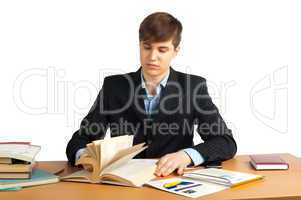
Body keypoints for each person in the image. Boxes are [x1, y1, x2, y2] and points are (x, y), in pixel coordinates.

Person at [66, 12, 237, 177]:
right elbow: (82, 137)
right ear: (139, 45)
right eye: (147, 47)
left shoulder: (193, 87)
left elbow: (225, 141)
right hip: (123, 183)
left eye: (162, 50)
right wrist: (84, 156)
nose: (152, 57)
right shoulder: (114, 86)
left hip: (172, 180)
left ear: (176, 50)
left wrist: (187, 155)